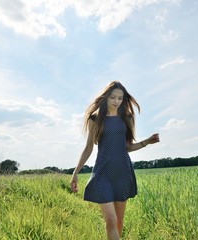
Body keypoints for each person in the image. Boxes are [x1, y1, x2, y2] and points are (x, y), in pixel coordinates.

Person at [70, 81, 159, 240]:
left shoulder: (128, 117)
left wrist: (147, 141)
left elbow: (128, 147)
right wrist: (75, 173)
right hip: (102, 173)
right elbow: (89, 147)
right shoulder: (95, 119)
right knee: (110, 220)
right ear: (106, 97)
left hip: (122, 173)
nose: (116, 101)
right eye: (113, 97)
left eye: (120, 98)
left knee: (118, 221)